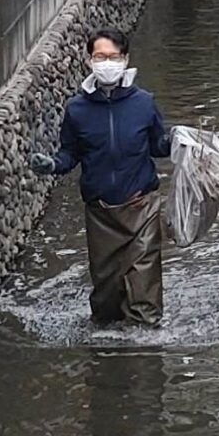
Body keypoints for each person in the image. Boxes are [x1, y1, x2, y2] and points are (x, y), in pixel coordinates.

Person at [31, 27, 171, 326]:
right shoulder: (77, 109)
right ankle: (108, 346)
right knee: (107, 296)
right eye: (100, 56)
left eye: (113, 57)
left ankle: (145, 350)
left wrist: (176, 141)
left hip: (141, 206)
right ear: (89, 60)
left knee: (144, 282)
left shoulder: (143, 102)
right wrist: (52, 165)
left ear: (125, 59)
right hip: (100, 212)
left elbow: (158, 146)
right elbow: (70, 154)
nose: (107, 63)